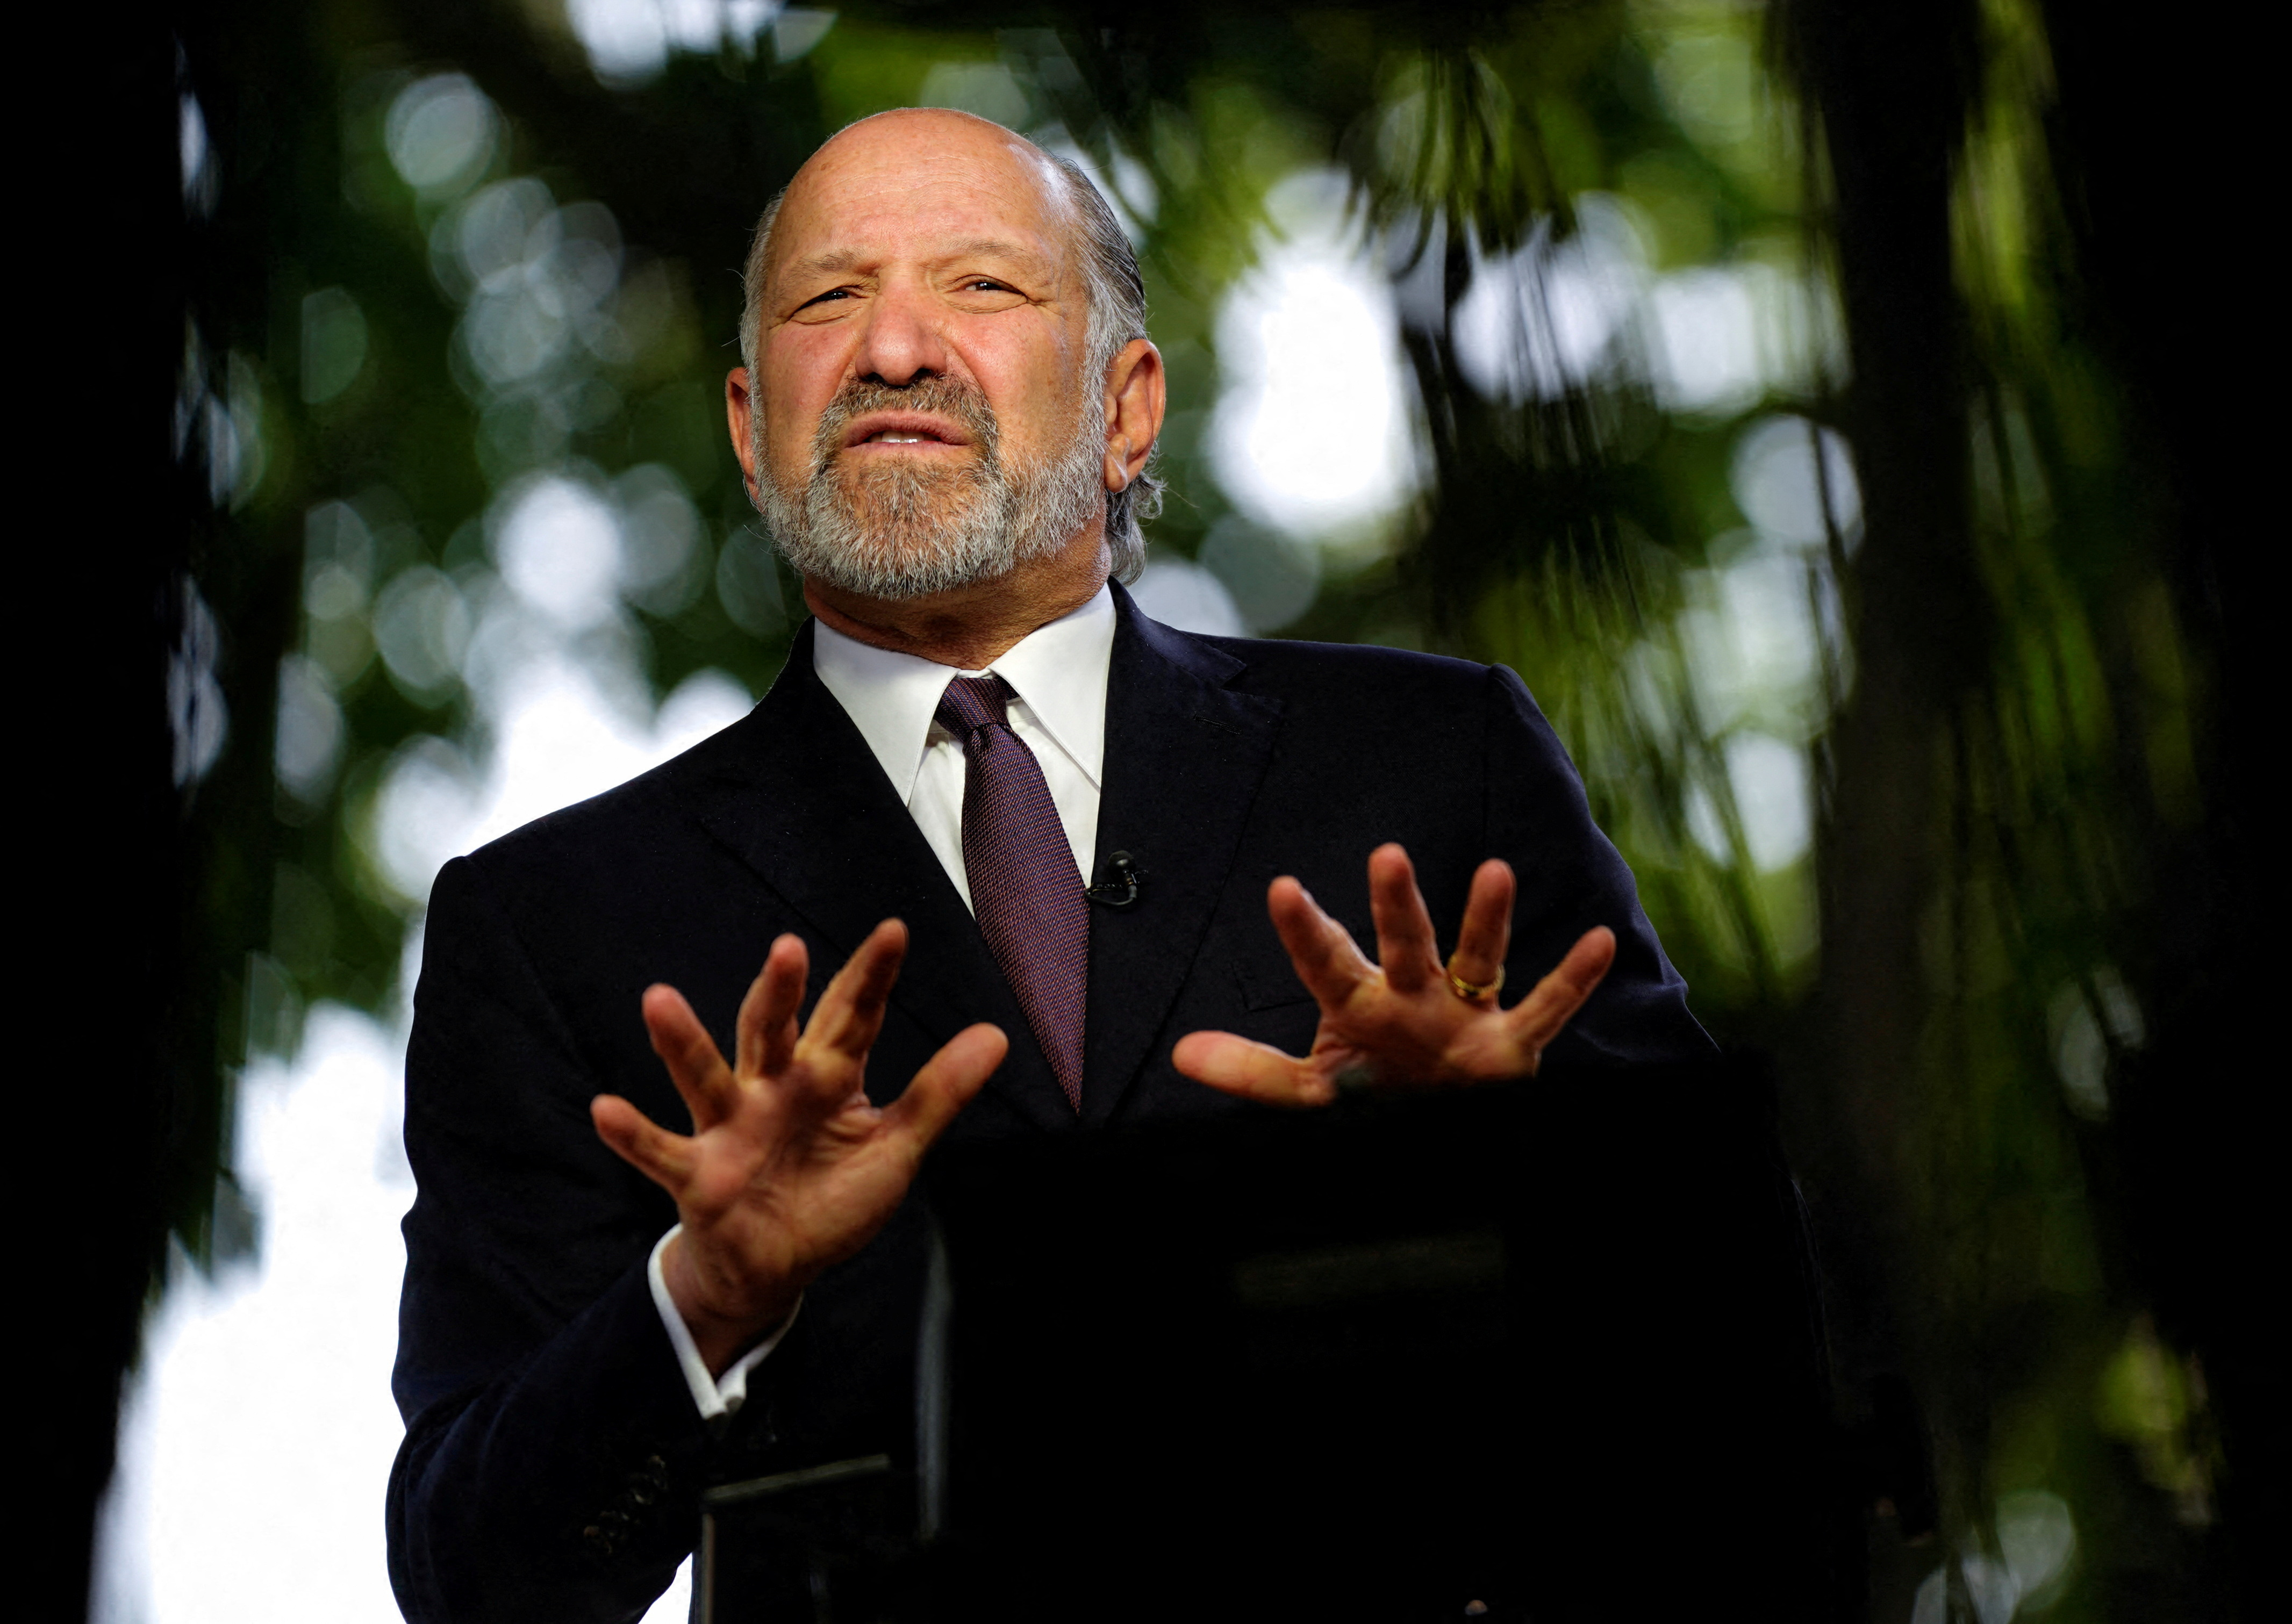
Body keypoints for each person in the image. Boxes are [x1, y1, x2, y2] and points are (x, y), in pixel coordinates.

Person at [385, 109, 1713, 1622]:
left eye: (981, 286)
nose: (894, 348)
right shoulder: (552, 923)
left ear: (1125, 409)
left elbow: (1750, 1363)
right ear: (752, 429)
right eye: (829, 298)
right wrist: (703, 1302)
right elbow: (470, 1577)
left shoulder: (1433, 762)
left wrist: (1509, 1166)